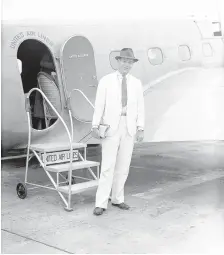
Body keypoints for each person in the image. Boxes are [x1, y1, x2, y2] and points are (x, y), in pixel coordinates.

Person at [91, 48, 145, 216]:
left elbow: (141, 107)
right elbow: (99, 105)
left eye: (130, 62)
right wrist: (95, 125)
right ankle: (101, 202)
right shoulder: (106, 81)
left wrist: (140, 127)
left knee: (123, 165)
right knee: (108, 165)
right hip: (110, 126)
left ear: (132, 64)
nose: (127, 65)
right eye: (124, 61)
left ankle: (117, 198)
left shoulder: (136, 83)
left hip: (129, 127)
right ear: (118, 61)